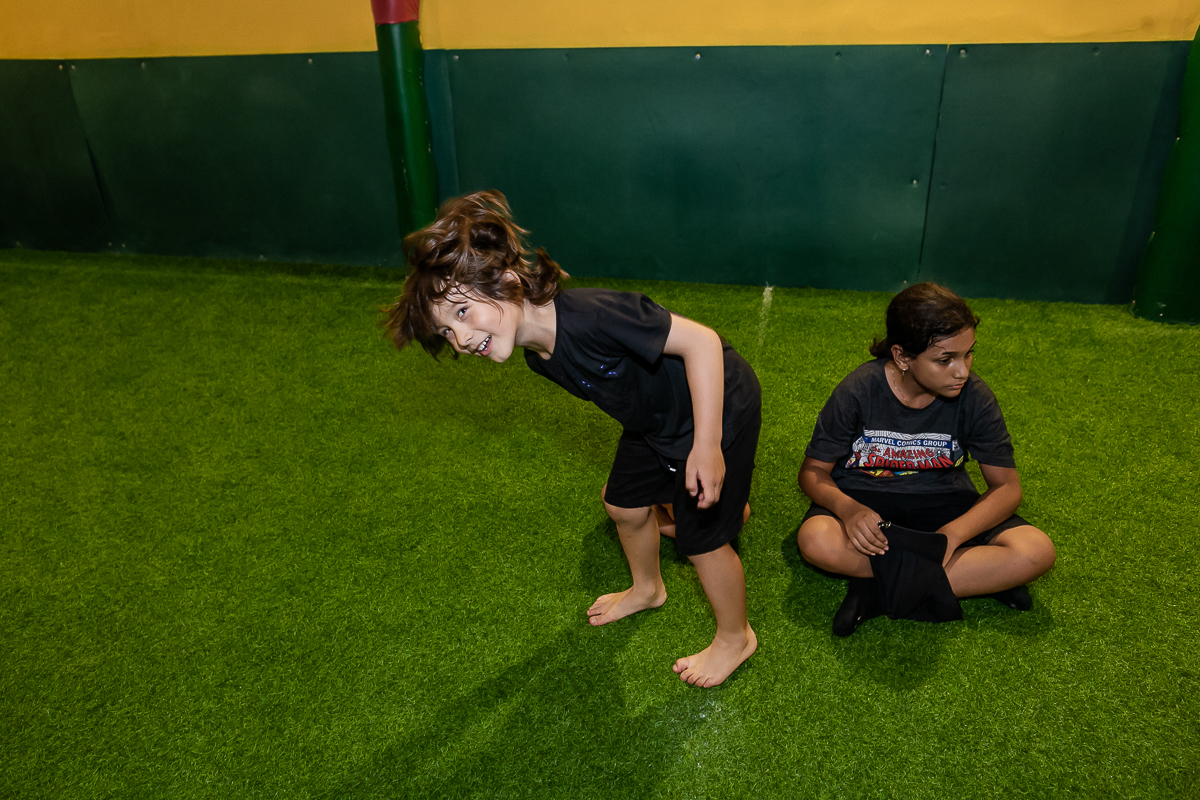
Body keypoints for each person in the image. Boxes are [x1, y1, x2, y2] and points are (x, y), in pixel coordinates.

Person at [383, 190, 762, 686]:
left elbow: (702, 343)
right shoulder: (538, 356)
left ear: (508, 281)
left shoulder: (595, 316)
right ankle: (648, 588)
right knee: (622, 504)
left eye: (461, 314)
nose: (459, 340)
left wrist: (706, 448)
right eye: (447, 334)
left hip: (716, 406)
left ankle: (736, 637)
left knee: (702, 541)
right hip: (655, 422)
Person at [796, 282, 1056, 636]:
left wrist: (952, 534)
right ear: (903, 356)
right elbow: (812, 473)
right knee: (816, 540)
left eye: (968, 354)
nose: (962, 371)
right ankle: (982, 578)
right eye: (945, 360)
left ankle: (874, 589)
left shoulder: (975, 397)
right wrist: (847, 509)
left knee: (1036, 551)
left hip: (944, 503)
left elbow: (1007, 488)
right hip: (866, 501)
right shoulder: (859, 389)